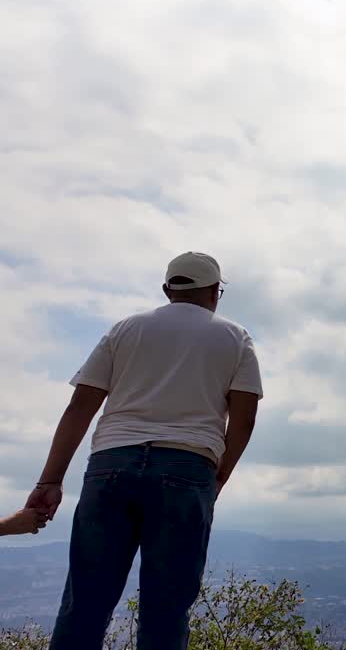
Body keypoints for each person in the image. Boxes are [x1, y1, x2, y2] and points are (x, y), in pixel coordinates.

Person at [26, 252, 263, 649]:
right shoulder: (235, 337)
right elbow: (244, 420)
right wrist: (217, 476)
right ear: (214, 292)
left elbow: (80, 406)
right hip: (187, 466)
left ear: (168, 289)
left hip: (110, 465)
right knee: (165, 609)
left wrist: (50, 479)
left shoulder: (125, 330)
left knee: (85, 601)